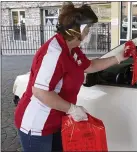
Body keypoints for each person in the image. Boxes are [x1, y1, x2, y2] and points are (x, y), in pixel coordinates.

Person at [14, 3, 130, 152]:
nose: (89, 32)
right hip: (37, 124)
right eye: (87, 28)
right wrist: (72, 109)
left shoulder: (71, 49)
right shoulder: (54, 54)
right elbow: (40, 92)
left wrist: (118, 58)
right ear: (77, 30)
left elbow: (90, 66)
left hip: (56, 121)